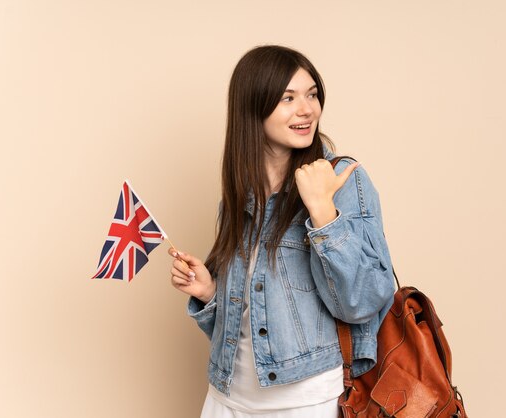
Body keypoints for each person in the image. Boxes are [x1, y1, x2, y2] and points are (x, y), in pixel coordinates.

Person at [169, 45, 397, 418]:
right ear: (253, 107)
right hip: (226, 398)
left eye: (311, 95)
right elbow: (257, 326)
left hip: (306, 402)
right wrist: (211, 292)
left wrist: (323, 212)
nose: (306, 109)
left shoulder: (341, 179)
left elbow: (364, 301)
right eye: (287, 98)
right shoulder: (239, 196)